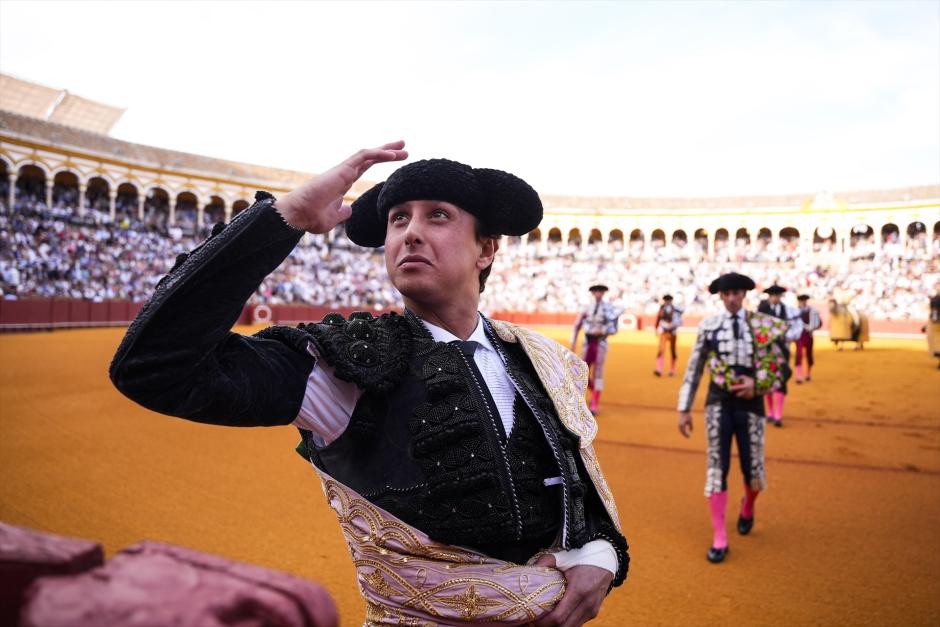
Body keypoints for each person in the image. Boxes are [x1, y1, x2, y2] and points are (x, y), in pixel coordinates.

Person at [110, 143, 629, 626]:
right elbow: (155, 366)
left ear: (486, 249)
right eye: (398, 219)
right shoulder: (348, 365)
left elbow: (580, 488)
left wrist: (599, 553)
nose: (410, 232)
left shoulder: (539, 360)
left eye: (438, 216)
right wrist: (282, 218)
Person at [676, 272, 788, 563]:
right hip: (718, 403)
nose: (732, 298)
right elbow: (694, 368)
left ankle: (748, 504)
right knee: (717, 467)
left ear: (744, 294)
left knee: (754, 470)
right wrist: (684, 408)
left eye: (737, 293)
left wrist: (757, 384)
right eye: (727, 294)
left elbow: (781, 368)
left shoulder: (762, 325)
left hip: (752, 404)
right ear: (721, 297)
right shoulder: (709, 327)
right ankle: (719, 536)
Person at [571, 284, 624, 415]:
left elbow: (614, 329)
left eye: (600, 291)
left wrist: (604, 331)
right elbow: (577, 325)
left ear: (604, 292)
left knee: (598, 373)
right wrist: (573, 343)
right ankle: (593, 391)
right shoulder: (586, 308)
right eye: (596, 291)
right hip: (587, 343)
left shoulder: (609, 308)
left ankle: (594, 404)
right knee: (582, 372)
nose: (598, 293)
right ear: (593, 293)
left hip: (600, 343)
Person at [756, 285, 803, 427]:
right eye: (773, 295)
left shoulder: (788, 310)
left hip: (782, 349)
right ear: (769, 296)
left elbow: (797, 325)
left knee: (781, 378)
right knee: (767, 378)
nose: (775, 297)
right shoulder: (761, 310)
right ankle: (770, 412)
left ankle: (778, 414)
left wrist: (787, 337)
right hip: (765, 349)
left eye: (777, 295)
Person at [794, 294, 822, 383]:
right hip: (799, 336)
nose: (803, 302)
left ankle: (808, 374)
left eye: (804, 301)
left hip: (809, 335)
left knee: (809, 355)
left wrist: (812, 327)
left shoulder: (812, 311)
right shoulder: (795, 311)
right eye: (801, 301)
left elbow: (819, 323)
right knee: (799, 354)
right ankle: (799, 376)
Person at [653, 294, 683, 377]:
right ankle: (659, 369)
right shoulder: (662, 308)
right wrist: (656, 328)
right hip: (664, 331)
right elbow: (658, 318)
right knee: (661, 349)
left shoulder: (676, 309)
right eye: (666, 300)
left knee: (672, 350)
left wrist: (673, 325)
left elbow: (679, 321)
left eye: (668, 300)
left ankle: (672, 369)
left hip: (672, 332)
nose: (667, 302)